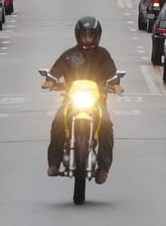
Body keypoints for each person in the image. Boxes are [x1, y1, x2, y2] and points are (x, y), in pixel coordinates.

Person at [43, 17, 123, 184]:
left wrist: (116, 86)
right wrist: (50, 81)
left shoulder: (103, 55)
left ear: (97, 36)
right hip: (71, 100)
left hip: (97, 101)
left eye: (90, 35)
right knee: (58, 122)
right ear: (78, 36)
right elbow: (56, 70)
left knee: (106, 126)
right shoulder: (70, 55)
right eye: (84, 36)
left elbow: (112, 73)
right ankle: (54, 163)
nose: (87, 39)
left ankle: (103, 168)